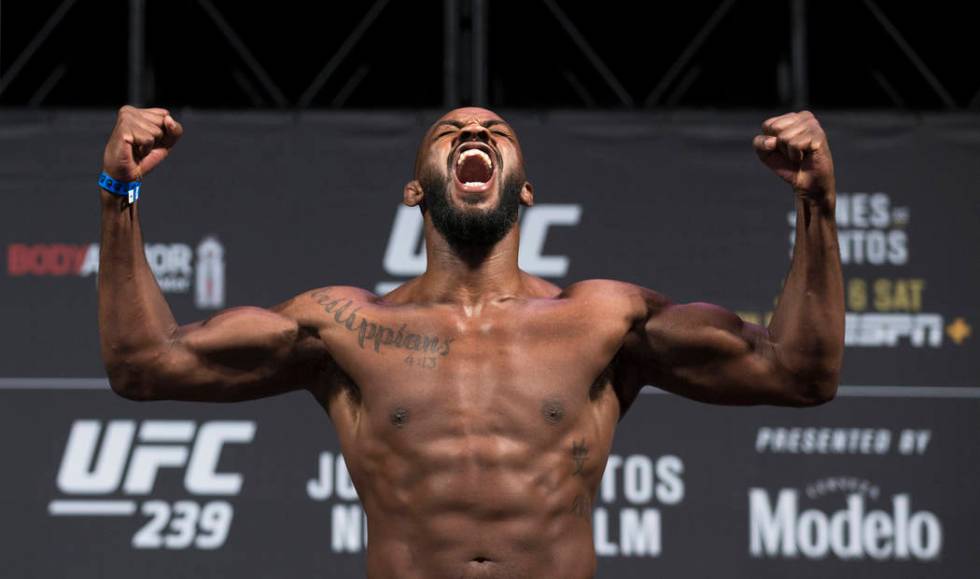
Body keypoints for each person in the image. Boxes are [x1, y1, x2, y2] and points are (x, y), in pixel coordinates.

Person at [98, 105, 844, 578]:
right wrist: (119, 193)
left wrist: (817, 206)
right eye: (450, 133)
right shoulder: (343, 327)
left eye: (496, 132)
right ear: (417, 189)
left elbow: (797, 372)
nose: (476, 135)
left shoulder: (606, 320)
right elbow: (145, 364)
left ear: (522, 188)